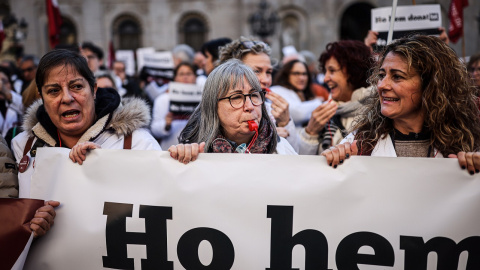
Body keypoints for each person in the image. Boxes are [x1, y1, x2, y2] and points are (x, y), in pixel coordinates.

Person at [11, 49, 161, 237]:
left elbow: (161, 209)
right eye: (53, 91)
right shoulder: (22, 146)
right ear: (41, 97)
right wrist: (26, 224)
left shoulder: (137, 142)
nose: (67, 98)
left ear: (94, 90)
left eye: (76, 87)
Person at [321, 35, 480, 174]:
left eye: (397, 76)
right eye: (382, 75)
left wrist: (474, 170)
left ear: (430, 85)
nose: (382, 85)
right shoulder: (361, 143)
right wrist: (333, 161)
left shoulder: (467, 142)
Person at [169, 59, 297, 163]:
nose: (250, 106)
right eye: (236, 97)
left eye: (254, 95)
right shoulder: (196, 153)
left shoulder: (281, 148)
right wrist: (183, 158)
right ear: (213, 107)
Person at [218, 37, 298, 149]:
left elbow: (294, 156)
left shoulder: (272, 111)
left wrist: (285, 123)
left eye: (269, 72)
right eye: (256, 71)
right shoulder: (217, 108)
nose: (265, 80)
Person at [298, 40, 373, 155]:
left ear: (354, 72)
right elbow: (303, 163)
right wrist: (310, 133)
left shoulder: (377, 113)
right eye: (325, 71)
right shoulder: (326, 113)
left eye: (332, 71)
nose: (325, 78)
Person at [151, 62, 198, 149]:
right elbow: (154, 129)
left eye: (189, 73)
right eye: (181, 74)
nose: (185, 77)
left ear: (195, 77)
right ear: (175, 78)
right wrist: (166, 125)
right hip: (170, 150)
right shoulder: (163, 99)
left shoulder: (203, 98)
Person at [270, 59, 325, 128]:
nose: (301, 78)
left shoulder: (306, 92)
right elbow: (297, 113)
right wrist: (319, 102)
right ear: (286, 75)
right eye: (296, 73)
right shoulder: (276, 90)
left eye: (304, 74)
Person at [0, 66, 23, 138]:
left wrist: (4, 90)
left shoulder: (18, 100)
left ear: (11, 84)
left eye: (4, 81)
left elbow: (24, 107)